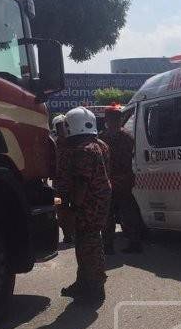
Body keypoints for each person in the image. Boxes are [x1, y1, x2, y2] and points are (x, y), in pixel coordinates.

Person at [60, 107, 112, 302]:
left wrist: (74, 206)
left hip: (88, 205)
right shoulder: (100, 145)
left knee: (89, 245)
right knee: (85, 244)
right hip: (99, 202)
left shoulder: (83, 150)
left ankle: (95, 288)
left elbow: (82, 182)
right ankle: (83, 283)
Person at [101, 104, 143, 254]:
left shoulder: (103, 138)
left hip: (111, 180)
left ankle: (109, 245)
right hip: (123, 180)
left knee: (110, 214)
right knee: (127, 213)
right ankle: (133, 242)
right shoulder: (127, 137)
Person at [52, 114, 75, 244]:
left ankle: (74, 232)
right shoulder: (53, 145)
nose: (62, 130)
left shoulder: (74, 144)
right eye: (59, 127)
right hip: (59, 186)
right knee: (60, 209)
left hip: (74, 184)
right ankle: (67, 234)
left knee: (76, 208)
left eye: (64, 126)